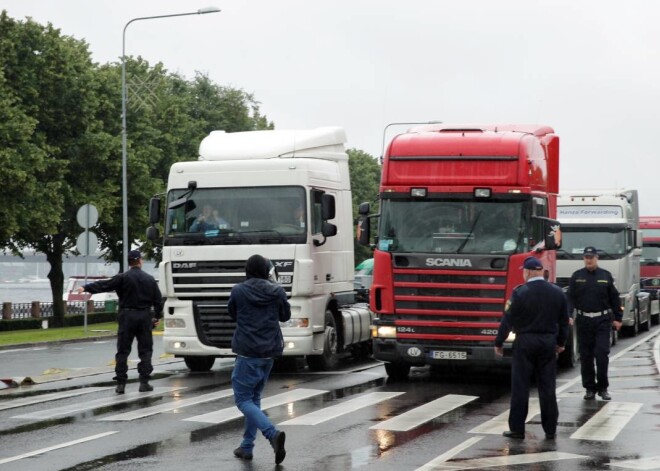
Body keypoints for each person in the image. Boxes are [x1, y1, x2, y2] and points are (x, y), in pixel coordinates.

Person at [494, 256, 569, 440]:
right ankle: (550, 429)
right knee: (547, 387)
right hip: (547, 342)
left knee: (521, 386)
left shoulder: (520, 292)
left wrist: (499, 342)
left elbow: (507, 320)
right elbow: (564, 321)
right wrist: (561, 343)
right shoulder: (557, 292)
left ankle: (517, 429)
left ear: (527, 272)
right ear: (541, 271)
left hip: (525, 341)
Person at [228, 254, 291, 464]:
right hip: (268, 353)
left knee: (243, 400)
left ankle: (272, 434)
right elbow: (285, 316)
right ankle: (246, 446)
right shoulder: (277, 291)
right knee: (253, 399)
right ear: (266, 270)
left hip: (247, 352)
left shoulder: (238, 291)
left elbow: (232, 314)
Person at [77, 250, 163, 394]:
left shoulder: (122, 278)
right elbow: (158, 301)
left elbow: (104, 285)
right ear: (140, 261)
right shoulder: (150, 279)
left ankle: (121, 384)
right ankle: (144, 382)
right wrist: (156, 317)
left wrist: (85, 287)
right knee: (145, 350)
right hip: (144, 316)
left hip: (127, 316)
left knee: (123, 351)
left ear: (129, 262)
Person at [567, 246, 622, 401]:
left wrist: (618, 318)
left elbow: (614, 298)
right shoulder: (577, 276)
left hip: (602, 321)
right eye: (586, 257)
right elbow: (570, 297)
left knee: (602, 354)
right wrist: (569, 314)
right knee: (586, 356)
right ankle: (589, 388)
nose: (589, 260)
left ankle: (603, 388)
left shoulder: (606, 275)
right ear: (583, 259)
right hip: (584, 321)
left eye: (591, 257)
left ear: (597, 258)